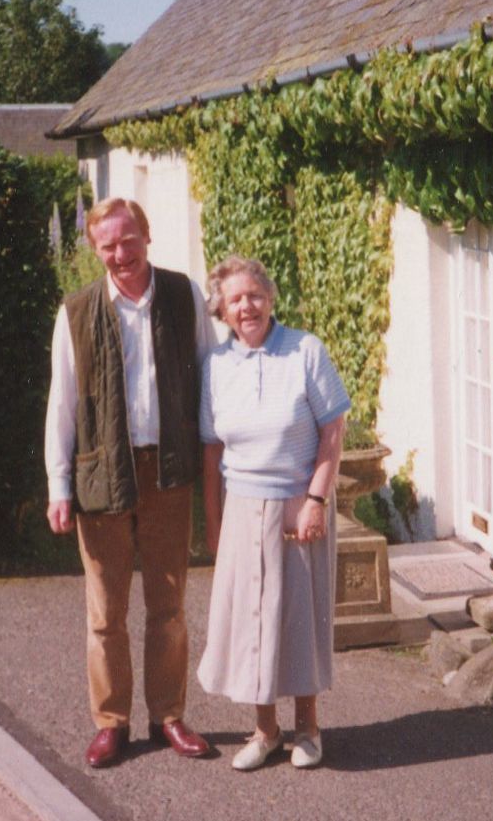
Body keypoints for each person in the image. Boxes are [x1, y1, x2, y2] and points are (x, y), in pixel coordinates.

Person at [45, 197, 218, 768]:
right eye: (107, 246)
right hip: (103, 473)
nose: (120, 254)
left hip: (168, 469)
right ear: (96, 250)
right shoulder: (76, 312)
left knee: (168, 605)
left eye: (128, 240)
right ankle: (111, 722)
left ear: (146, 235)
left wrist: (217, 456)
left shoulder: (183, 294)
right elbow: (62, 405)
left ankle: (168, 715)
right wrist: (59, 485)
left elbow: (209, 373)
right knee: (105, 611)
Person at [195, 255, 349, 771]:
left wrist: (316, 500)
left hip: (296, 505)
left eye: (254, 295)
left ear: (270, 298)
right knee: (251, 625)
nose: (246, 306)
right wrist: (214, 526)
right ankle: (264, 731)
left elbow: (334, 430)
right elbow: (212, 451)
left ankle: (308, 729)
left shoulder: (305, 350)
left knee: (299, 618)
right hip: (242, 505)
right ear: (221, 309)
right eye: (235, 299)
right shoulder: (216, 366)